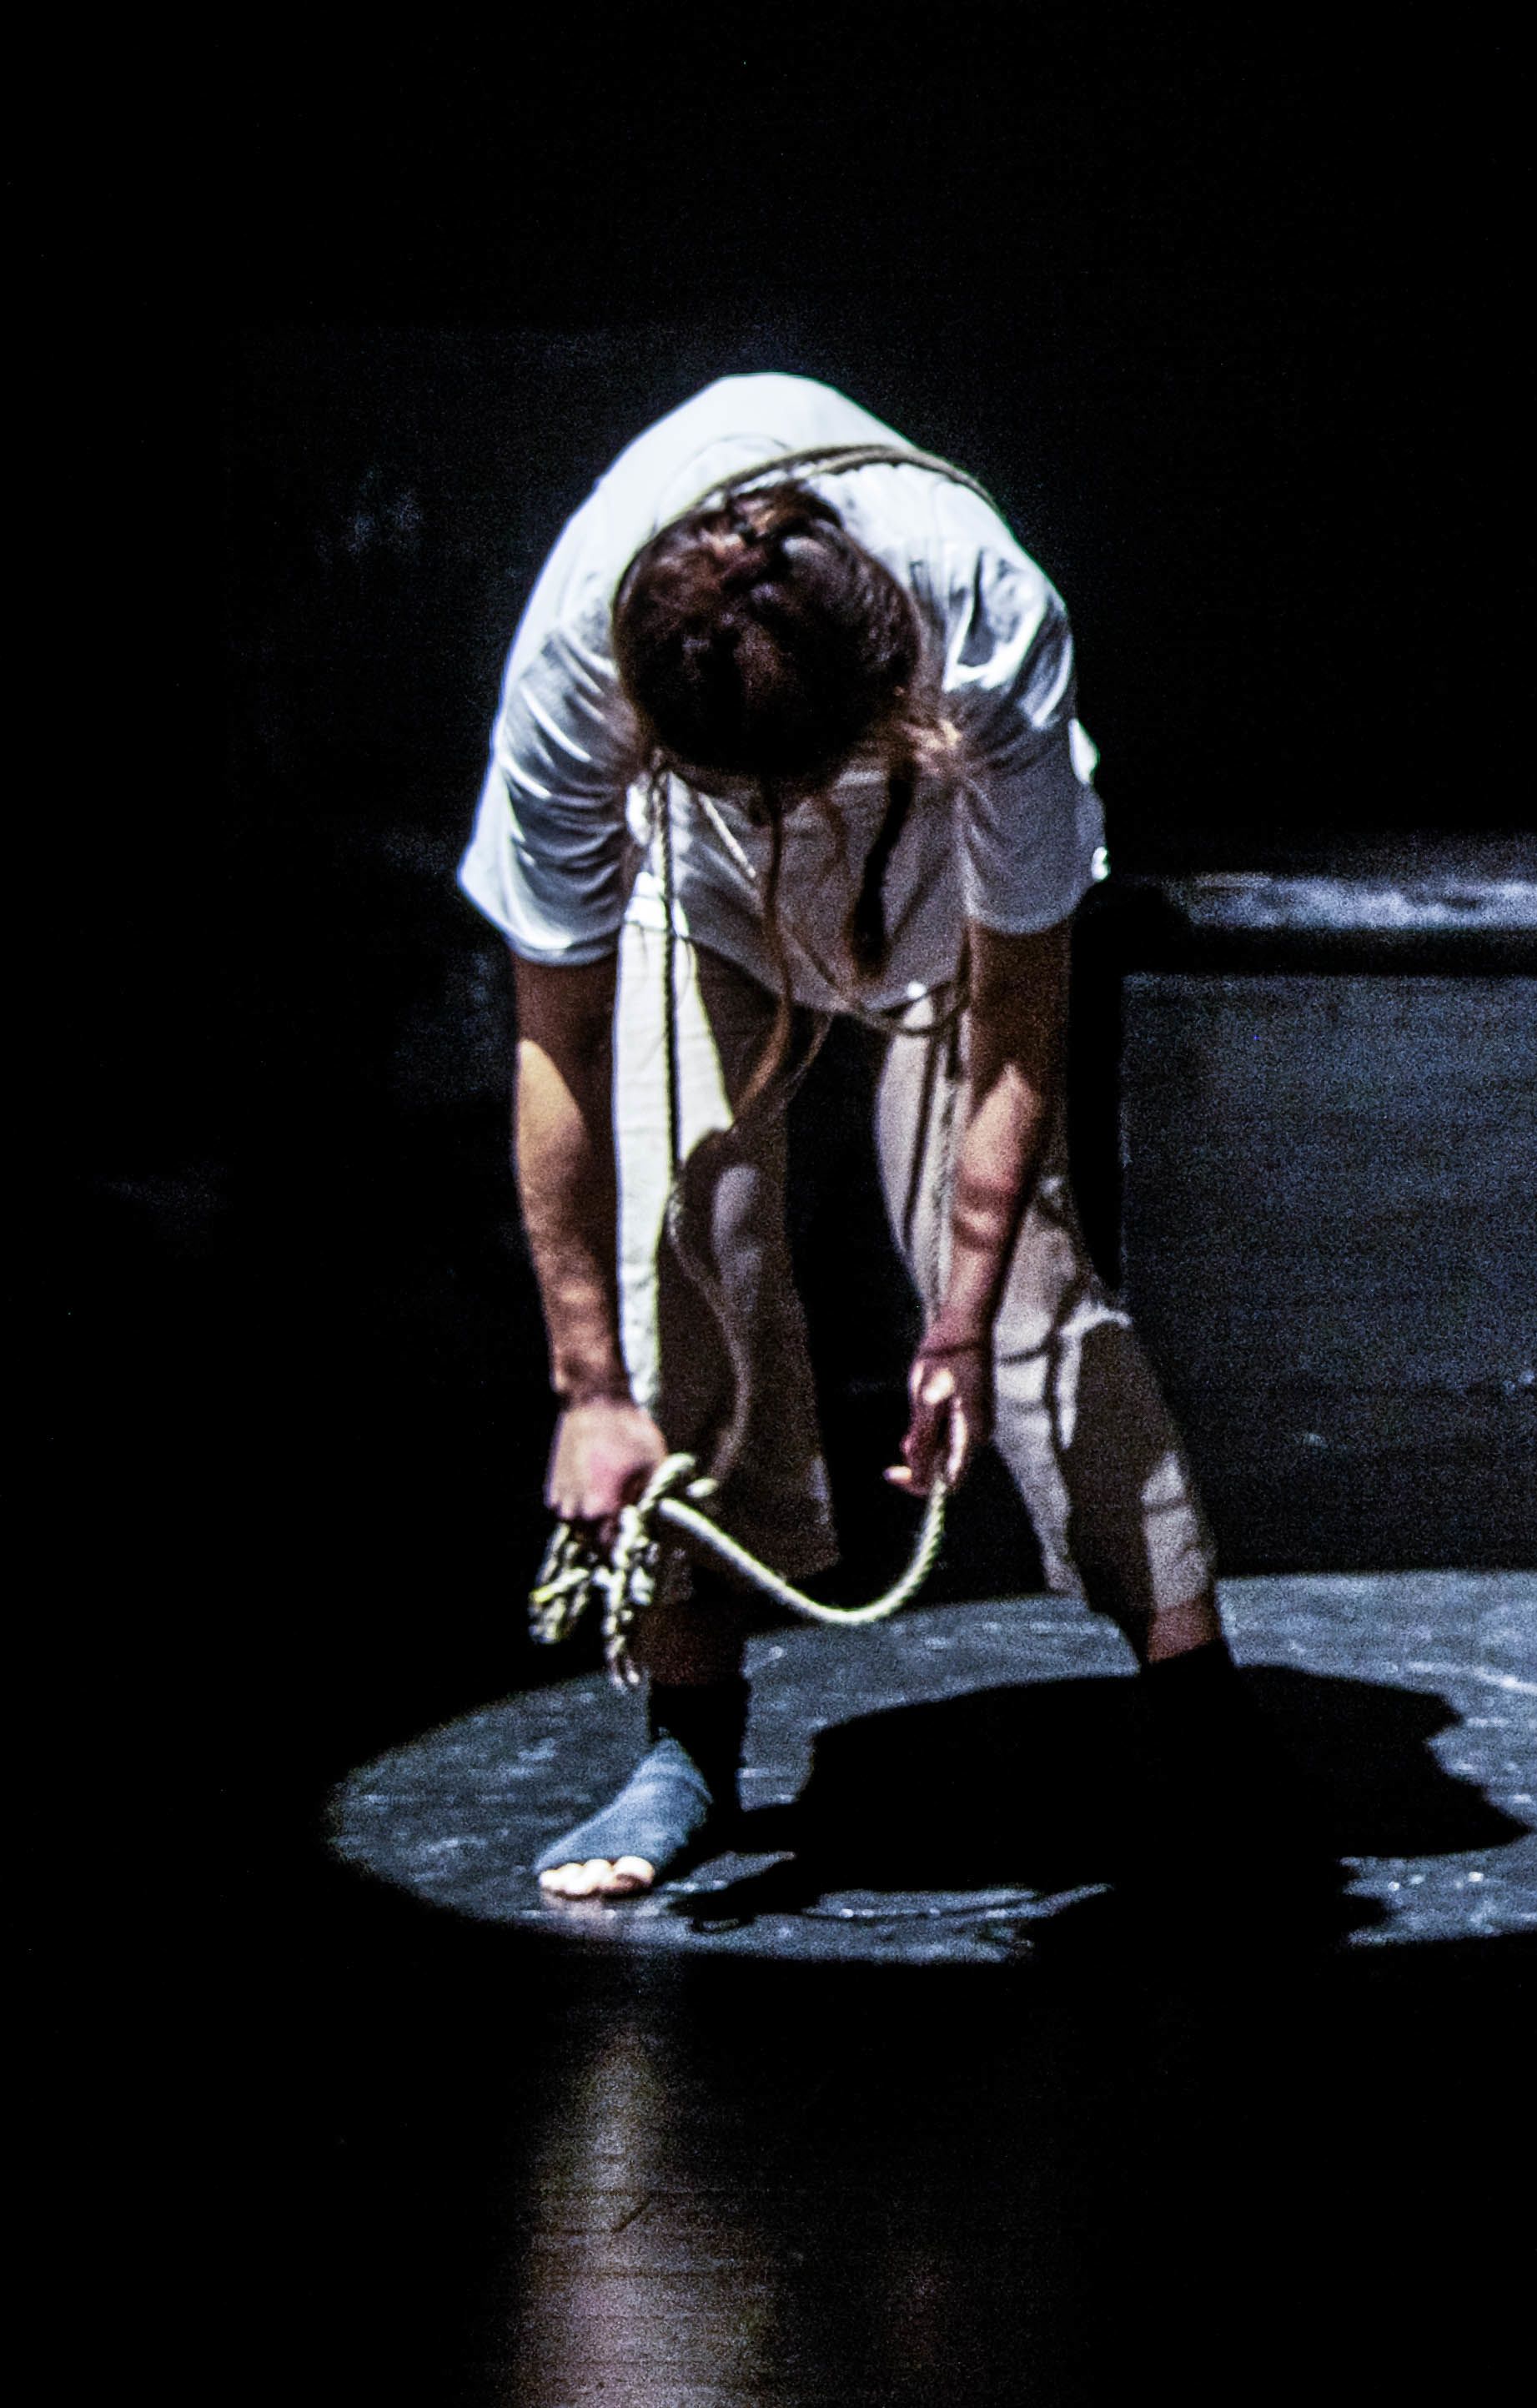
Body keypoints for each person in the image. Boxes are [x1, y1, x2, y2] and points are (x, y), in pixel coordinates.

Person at [469, 377, 1238, 1900]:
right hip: (695, 894)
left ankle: (1200, 1704)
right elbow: (554, 1038)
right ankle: (685, 1734)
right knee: (686, 1239)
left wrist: (949, 1321)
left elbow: (1022, 1018)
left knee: (1032, 1295)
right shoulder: (576, 661)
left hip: (935, 869)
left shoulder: (984, 615)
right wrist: (589, 1386)